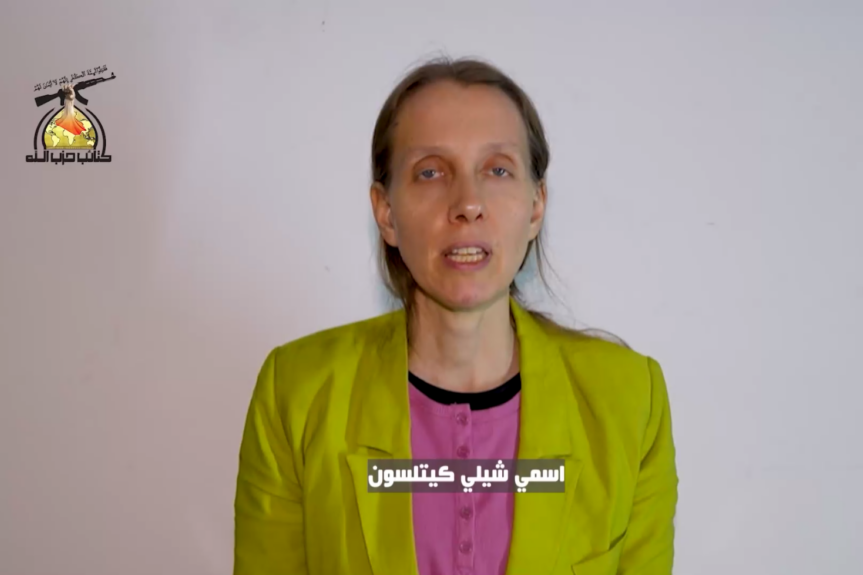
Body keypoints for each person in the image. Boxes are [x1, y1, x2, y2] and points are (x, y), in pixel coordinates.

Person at [233, 56, 678, 575]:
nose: (467, 203)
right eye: (431, 172)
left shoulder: (629, 403)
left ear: (536, 206)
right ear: (386, 212)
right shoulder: (297, 394)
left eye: (497, 169)